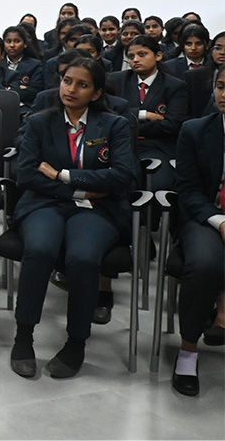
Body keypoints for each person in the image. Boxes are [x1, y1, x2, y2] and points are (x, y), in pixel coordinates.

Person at [9, 57, 136, 380]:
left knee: (83, 258)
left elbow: (122, 176)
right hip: (45, 204)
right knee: (39, 250)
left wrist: (62, 175)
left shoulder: (114, 125)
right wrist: (82, 189)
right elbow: (27, 174)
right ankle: (23, 337)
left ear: (96, 93)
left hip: (97, 211)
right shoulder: (40, 122)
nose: (71, 89)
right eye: (67, 81)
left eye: (82, 85)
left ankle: (76, 342)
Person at [169, 66, 225, 396]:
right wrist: (219, 222)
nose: (224, 94)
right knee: (205, 265)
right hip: (205, 216)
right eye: (221, 86)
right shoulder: (195, 130)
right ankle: (188, 351)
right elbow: (188, 190)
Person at [114, 35, 189, 192]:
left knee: (160, 184)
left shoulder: (175, 86)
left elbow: (173, 125)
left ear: (158, 56)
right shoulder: (117, 81)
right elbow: (109, 114)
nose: (135, 60)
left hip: (157, 146)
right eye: (131, 56)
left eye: (142, 54)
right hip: (121, 145)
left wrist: (128, 124)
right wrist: (144, 115)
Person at [3, 24, 45, 112]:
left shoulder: (34, 64)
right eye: (8, 41)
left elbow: (34, 91)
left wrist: (11, 91)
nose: (12, 45)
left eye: (17, 41)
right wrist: (20, 88)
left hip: (24, 109)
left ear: (25, 44)